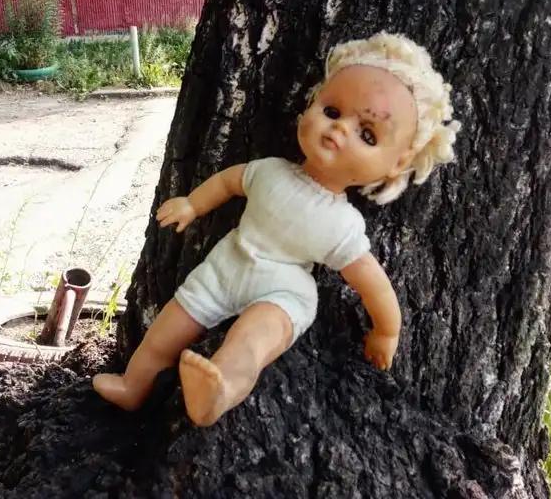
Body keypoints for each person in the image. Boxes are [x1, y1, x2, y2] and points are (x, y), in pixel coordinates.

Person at [93, 31, 461, 427]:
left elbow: (373, 284)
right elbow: (228, 183)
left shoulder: (343, 226)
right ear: (311, 105)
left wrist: (386, 332)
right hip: (226, 267)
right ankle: (133, 385)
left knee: (253, 340)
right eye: (332, 111)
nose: (339, 129)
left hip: (283, 292)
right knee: (166, 329)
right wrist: (192, 204)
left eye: (367, 134)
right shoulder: (269, 171)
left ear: (396, 164)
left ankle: (220, 390)